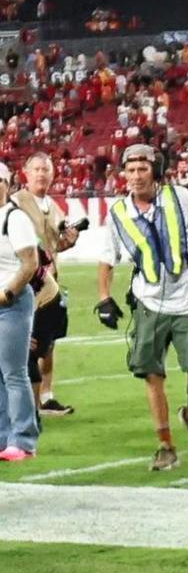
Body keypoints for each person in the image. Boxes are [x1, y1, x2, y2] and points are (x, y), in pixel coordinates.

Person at [96, 145, 188, 471]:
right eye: (130, 171)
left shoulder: (180, 197)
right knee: (152, 375)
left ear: (155, 170)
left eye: (142, 169)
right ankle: (165, 445)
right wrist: (104, 296)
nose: (136, 177)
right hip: (148, 301)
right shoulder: (118, 213)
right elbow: (107, 258)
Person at [16, 154, 78, 417]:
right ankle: (26, 404)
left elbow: (55, 246)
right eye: (37, 169)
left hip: (51, 283)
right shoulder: (16, 202)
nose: (41, 174)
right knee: (28, 343)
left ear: (53, 174)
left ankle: (46, 397)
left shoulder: (53, 206)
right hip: (26, 282)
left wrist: (69, 240)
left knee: (49, 342)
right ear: (25, 173)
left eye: (46, 169)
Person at [0, 164, 40, 462]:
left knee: (14, 372)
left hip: (11, 302)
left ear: (8, 184)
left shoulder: (14, 218)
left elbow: (30, 263)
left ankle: (24, 438)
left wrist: (7, 293)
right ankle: (4, 436)